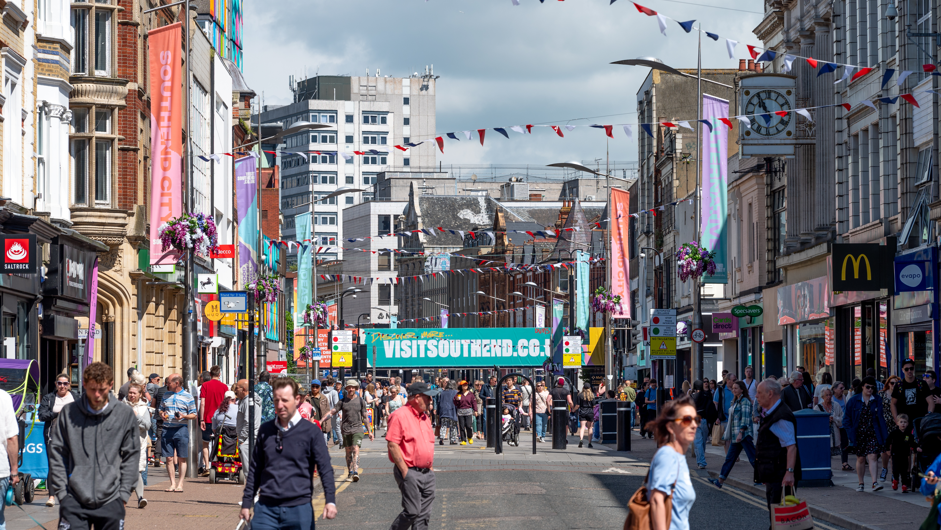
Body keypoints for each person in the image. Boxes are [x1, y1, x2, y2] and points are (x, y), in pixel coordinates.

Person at [48, 362, 139, 529]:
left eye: (102, 389)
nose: (97, 394)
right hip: (74, 500)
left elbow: (131, 456)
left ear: (111, 385)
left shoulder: (124, 414)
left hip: (111, 500)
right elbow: (58, 454)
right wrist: (62, 494)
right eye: (92, 389)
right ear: (84, 384)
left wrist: (124, 495)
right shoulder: (69, 413)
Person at [239, 377, 337, 528]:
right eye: (276, 400)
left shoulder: (311, 432)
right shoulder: (266, 430)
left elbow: (325, 468)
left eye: (285, 400)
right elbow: (255, 469)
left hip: (298, 509)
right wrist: (246, 503)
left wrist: (330, 500)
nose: (280, 405)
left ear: (297, 399)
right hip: (266, 509)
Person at [386, 381, 440, 530]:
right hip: (410, 471)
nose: (431, 401)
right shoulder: (399, 415)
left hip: (427, 473)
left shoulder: (425, 417)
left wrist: (430, 468)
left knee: (423, 516)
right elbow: (392, 444)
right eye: (428, 397)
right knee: (412, 511)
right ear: (417, 398)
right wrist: (405, 471)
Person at [645, 395, 698, 530]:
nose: (694, 425)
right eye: (687, 420)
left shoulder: (679, 456)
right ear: (671, 426)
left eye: (696, 419)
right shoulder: (668, 455)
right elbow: (657, 500)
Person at [754, 379, 799, 528]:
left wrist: (789, 472)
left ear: (770, 393)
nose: (756, 396)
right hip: (774, 474)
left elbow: (791, 447)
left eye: (759, 393)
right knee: (778, 517)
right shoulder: (771, 413)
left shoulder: (781, 416)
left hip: (781, 476)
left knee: (780, 518)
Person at [38, 373, 78, 507]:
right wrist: (57, 413)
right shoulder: (49, 398)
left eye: (65, 383)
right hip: (53, 437)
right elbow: (42, 415)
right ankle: (51, 497)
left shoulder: (76, 397)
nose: (62, 386)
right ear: (56, 384)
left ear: (69, 385)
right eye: (60, 383)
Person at [322, 380, 374, 482]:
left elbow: (365, 417)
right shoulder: (342, 401)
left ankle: (355, 472)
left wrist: (370, 431)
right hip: (345, 429)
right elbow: (332, 412)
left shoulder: (360, 401)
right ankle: (350, 472)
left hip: (358, 429)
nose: (351, 389)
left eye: (353, 387)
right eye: (349, 387)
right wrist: (321, 420)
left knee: (355, 449)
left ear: (356, 388)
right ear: (346, 389)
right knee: (348, 452)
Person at [709, 381, 757, 488]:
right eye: (733, 388)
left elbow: (744, 419)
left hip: (744, 435)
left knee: (753, 458)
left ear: (742, 390)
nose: (734, 390)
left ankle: (763, 479)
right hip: (736, 437)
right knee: (729, 459)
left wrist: (741, 433)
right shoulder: (736, 401)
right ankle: (720, 481)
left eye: (736, 388)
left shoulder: (745, 402)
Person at [845, 376, 888, 492]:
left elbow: (880, 418)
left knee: (873, 456)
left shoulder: (877, 399)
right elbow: (847, 418)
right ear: (863, 386)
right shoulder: (854, 400)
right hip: (859, 433)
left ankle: (874, 482)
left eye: (872, 388)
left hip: (873, 432)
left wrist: (885, 436)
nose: (870, 390)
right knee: (861, 459)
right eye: (868, 387)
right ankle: (861, 483)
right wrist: (850, 433)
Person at [159, 373, 198, 492]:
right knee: (169, 458)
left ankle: (180, 484)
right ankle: (172, 483)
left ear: (176, 383)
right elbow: (161, 409)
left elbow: (194, 414)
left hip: (181, 429)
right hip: (167, 428)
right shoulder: (166, 395)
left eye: (169, 382)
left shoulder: (188, 396)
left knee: (182, 457)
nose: (167, 384)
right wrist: (162, 414)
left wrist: (184, 416)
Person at [125, 382, 151, 509]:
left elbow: (147, 425)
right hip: (121, 444)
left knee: (136, 471)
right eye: (130, 392)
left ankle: (140, 498)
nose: (131, 395)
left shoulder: (143, 408)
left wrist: (137, 416)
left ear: (140, 394)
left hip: (138, 444)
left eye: (134, 393)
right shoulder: (121, 406)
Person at [198, 365, 228, 477]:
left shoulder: (205, 385)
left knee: (205, 443)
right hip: (221, 419)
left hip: (207, 418)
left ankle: (207, 467)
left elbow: (202, 403)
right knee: (220, 442)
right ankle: (220, 465)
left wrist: (201, 419)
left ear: (210, 374)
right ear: (219, 374)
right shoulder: (224, 387)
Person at [887, 414, 920, 492]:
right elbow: (888, 441)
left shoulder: (908, 434)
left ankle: (904, 484)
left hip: (905, 455)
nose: (903, 424)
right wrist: (887, 449)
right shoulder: (894, 433)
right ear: (897, 423)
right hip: (895, 454)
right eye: (901, 422)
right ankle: (895, 480)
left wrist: (916, 447)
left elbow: (912, 443)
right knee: (895, 469)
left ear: (907, 423)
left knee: (904, 470)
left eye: (905, 422)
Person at [892, 358, 930, 424]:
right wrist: (896, 420)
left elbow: (931, 401)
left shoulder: (922, 383)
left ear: (914, 368)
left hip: (920, 421)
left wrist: (929, 414)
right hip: (904, 423)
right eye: (906, 369)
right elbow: (893, 403)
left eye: (911, 368)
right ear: (902, 370)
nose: (909, 371)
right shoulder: (898, 385)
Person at [235, 379, 261, 471]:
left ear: (244, 389)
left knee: (248, 470)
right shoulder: (246, 400)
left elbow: (248, 422)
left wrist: (242, 439)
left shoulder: (247, 401)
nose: (235, 390)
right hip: (249, 438)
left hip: (248, 439)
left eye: (237, 388)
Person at [879, 375, 901, 482]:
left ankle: (894, 472)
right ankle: (884, 468)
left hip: (896, 424)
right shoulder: (882, 394)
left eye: (896, 383)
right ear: (888, 384)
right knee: (885, 448)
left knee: (895, 449)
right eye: (892, 383)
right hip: (885, 424)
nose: (894, 385)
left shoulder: (900, 395)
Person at [814, 388, 844, 456]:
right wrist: (825, 421)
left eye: (830, 395)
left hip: (835, 440)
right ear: (822, 397)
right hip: (823, 438)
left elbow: (842, 420)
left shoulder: (836, 405)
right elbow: (815, 423)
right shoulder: (817, 408)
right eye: (826, 395)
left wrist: (834, 419)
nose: (829, 397)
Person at [691, 380, 713, 469]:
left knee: (698, 442)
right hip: (704, 420)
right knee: (703, 442)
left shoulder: (692, 396)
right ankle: (701, 460)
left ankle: (701, 462)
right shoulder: (706, 395)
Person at [832, 381, 853, 471]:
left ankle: (845, 463)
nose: (842, 390)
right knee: (835, 444)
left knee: (845, 443)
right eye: (840, 388)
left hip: (843, 424)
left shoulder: (844, 397)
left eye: (843, 388)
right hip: (835, 424)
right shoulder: (831, 398)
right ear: (834, 389)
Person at [437, 381, 459, 445]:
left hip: (444, 411)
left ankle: (442, 438)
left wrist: (438, 412)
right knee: (453, 426)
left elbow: (439, 402)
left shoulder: (443, 392)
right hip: (452, 411)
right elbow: (458, 402)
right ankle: (452, 440)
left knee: (443, 425)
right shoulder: (456, 392)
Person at [454, 381, 476, 445]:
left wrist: (475, 410)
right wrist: (456, 400)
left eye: (466, 385)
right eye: (463, 385)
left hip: (468, 411)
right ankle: (463, 440)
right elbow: (455, 403)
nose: (465, 386)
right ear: (461, 386)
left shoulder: (470, 394)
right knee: (462, 426)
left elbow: (474, 402)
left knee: (468, 426)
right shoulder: (459, 394)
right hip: (460, 412)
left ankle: (469, 437)